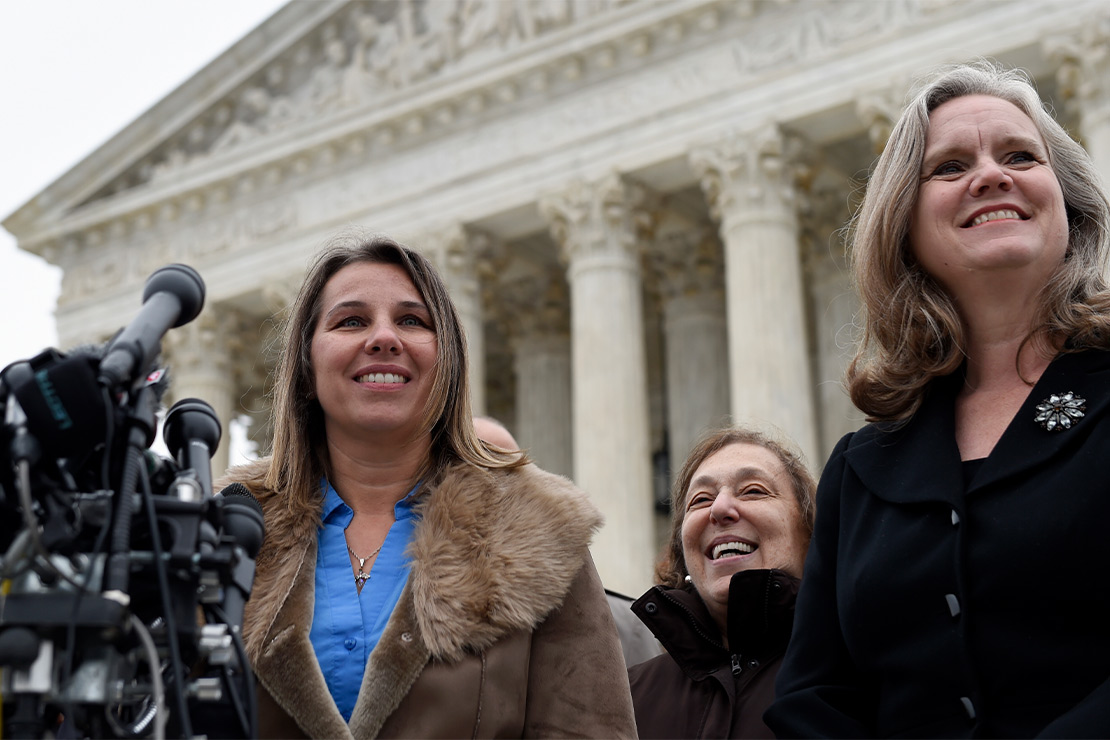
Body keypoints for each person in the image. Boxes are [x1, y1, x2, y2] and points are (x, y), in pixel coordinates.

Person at [765, 61, 1110, 738]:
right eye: (950, 167)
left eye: (1020, 155)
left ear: (1067, 204)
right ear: (905, 227)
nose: (991, 175)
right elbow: (813, 694)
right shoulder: (862, 469)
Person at [221, 232, 636, 738]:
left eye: (412, 321)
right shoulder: (229, 527)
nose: (383, 338)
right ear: (305, 368)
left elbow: (587, 728)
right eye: (351, 320)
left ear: (449, 363)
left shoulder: (534, 526)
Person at [627, 427, 816, 738]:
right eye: (701, 500)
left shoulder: (859, 668)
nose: (719, 509)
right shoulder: (627, 697)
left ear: (809, 536)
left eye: (753, 490)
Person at [471, 414, 663, 668]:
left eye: (509, 476)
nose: (496, 494)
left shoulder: (625, 628)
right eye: (470, 476)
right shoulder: (411, 620)